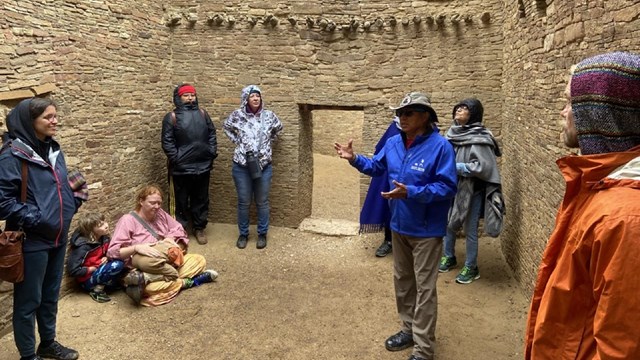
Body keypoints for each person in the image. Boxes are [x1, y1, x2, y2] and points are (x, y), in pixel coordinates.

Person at [525, 52, 640, 359]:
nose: (563, 112)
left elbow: (621, 349)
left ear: (598, 112)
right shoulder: (600, 185)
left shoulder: (624, 218)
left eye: (570, 102)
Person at [334, 92, 457, 360]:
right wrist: (354, 159)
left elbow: (447, 187)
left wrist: (411, 192)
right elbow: (377, 167)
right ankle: (408, 329)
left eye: (408, 113)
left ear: (425, 117)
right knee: (403, 282)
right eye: (400, 113)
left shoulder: (440, 147)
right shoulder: (392, 142)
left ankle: (424, 349)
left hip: (426, 231)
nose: (402, 117)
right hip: (399, 226)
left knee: (424, 288)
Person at [0, 98, 82, 360]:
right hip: (31, 241)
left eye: (55, 116)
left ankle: (47, 344)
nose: (54, 121)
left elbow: (61, 189)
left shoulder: (53, 150)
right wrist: (38, 219)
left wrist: (72, 202)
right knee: (28, 302)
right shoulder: (12, 155)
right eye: (48, 117)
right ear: (29, 121)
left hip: (57, 237)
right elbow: (3, 202)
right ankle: (27, 355)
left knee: (49, 297)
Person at [107, 185, 218, 307]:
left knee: (199, 260)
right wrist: (136, 248)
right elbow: (112, 252)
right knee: (151, 289)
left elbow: (178, 229)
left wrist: (169, 239)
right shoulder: (127, 220)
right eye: (152, 203)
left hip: (167, 263)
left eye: (159, 203)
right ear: (141, 201)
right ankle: (190, 281)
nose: (156, 207)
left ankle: (146, 279)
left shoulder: (160, 214)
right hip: (143, 267)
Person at [438, 98, 503, 284]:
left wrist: (454, 167)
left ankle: (471, 266)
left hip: (472, 189)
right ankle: (449, 256)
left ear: (473, 113)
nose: (459, 110)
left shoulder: (480, 137)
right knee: (448, 222)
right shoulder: (452, 133)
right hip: (451, 187)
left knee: (470, 229)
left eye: (464, 108)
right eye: (457, 107)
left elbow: (482, 167)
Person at [223, 85, 283, 250]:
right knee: (244, 202)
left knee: (262, 202)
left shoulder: (269, 116)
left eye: (258, 95)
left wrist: (268, 145)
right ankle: (243, 234)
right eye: (252, 96)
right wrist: (238, 142)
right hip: (242, 166)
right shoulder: (237, 115)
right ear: (245, 99)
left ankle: (262, 234)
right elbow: (226, 127)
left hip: (264, 166)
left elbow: (278, 130)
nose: (256, 98)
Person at [161, 83, 218, 245]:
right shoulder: (171, 117)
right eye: (186, 95)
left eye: (192, 95)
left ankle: (199, 228)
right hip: (181, 170)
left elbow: (212, 133)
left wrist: (211, 152)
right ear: (179, 98)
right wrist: (177, 159)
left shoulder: (203, 114)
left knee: (201, 199)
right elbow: (167, 142)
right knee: (180, 201)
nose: (190, 98)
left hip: (203, 166)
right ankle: (180, 231)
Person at [359, 116, 401, 257]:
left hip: (417, 187)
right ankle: (389, 240)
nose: (405, 117)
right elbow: (379, 158)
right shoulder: (394, 132)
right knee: (388, 208)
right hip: (391, 176)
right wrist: (354, 158)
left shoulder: (436, 142)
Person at [67, 212, 126, 303]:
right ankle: (96, 290)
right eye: (100, 225)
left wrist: (106, 257)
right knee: (117, 265)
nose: (106, 225)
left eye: (105, 222)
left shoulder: (104, 238)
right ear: (91, 230)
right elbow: (73, 270)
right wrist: (92, 269)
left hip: (99, 269)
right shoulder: (83, 247)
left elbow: (109, 251)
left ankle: (109, 284)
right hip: (87, 279)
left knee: (121, 256)